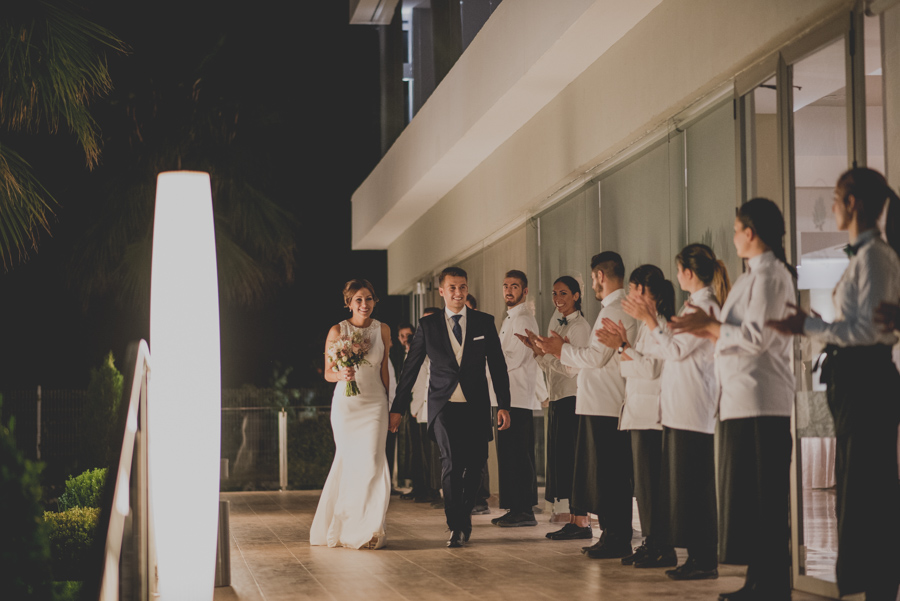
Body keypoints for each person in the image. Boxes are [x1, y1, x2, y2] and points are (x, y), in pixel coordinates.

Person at [768, 168, 900, 601]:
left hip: (868, 382)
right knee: (857, 488)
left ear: (853, 203)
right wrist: (818, 325)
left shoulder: (875, 256)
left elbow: (868, 331)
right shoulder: (866, 256)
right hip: (859, 381)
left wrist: (808, 326)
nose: (832, 205)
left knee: (868, 490)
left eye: (836, 196)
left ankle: (878, 588)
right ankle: (869, 587)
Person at [671, 198, 795, 601]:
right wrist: (710, 328)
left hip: (761, 400)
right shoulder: (747, 279)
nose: (735, 236)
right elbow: (728, 333)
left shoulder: (773, 276)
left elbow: (758, 337)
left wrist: (710, 327)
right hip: (739, 400)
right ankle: (757, 581)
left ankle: (772, 585)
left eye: (737, 229)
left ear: (751, 232)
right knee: (750, 500)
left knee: (766, 500)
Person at [624, 245, 729, 580]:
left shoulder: (705, 306)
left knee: (696, 488)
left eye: (679, 269)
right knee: (686, 487)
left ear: (688, 272)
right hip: (680, 408)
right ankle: (697, 555)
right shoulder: (694, 304)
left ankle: (704, 558)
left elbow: (675, 350)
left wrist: (649, 321)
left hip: (692, 407)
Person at [390, 267, 512, 548]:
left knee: (477, 464)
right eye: (453, 288)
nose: (458, 293)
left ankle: (463, 515)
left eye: (462, 287)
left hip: (476, 406)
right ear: (442, 291)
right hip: (443, 406)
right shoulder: (428, 326)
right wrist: (397, 408)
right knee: (451, 463)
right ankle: (455, 525)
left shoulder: (484, 322)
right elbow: (410, 370)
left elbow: (498, 366)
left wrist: (504, 405)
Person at [535, 252, 638, 559]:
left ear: (600, 276)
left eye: (593, 278)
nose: (592, 283)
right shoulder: (612, 309)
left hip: (606, 403)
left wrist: (560, 349)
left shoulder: (615, 310)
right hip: (600, 402)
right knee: (604, 474)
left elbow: (595, 358)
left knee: (610, 476)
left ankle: (616, 536)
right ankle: (610, 534)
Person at [596, 265, 675, 569]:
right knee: (643, 488)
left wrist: (623, 347)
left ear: (642, 290)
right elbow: (631, 366)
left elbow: (651, 369)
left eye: (631, 289)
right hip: (639, 412)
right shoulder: (645, 326)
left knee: (652, 487)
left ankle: (661, 546)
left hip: (651, 415)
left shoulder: (660, 324)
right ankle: (651, 542)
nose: (628, 295)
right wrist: (624, 348)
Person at [310, 279, 393, 550]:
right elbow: (328, 372)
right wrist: (342, 374)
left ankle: (370, 529)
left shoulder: (383, 329)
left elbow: (384, 369)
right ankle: (346, 526)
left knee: (373, 461)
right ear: (349, 303)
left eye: (369, 299)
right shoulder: (337, 330)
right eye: (358, 299)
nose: (364, 304)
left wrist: (391, 405)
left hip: (375, 403)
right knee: (349, 464)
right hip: (347, 405)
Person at [517, 276, 592, 540]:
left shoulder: (580, 327)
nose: (557, 299)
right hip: (558, 397)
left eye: (563, 293)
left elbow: (572, 369)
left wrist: (546, 355)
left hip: (574, 398)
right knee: (563, 461)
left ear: (576, 296)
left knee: (574, 460)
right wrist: (538, 351)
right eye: (554, 293)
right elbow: (553, 365)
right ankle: (573, 519)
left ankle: (582, 521)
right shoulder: (557, 322)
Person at [490, 270, 541, 527]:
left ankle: (524, 510)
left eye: (514, 286)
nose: (509, 290)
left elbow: (516, 357)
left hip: (517, 396)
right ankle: (516, 508)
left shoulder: (523, 319)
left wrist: (488, 360)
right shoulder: (510, 318)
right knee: (510, 454)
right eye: (506, 285)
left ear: (525, 291)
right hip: (507, 395)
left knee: (518, 454)